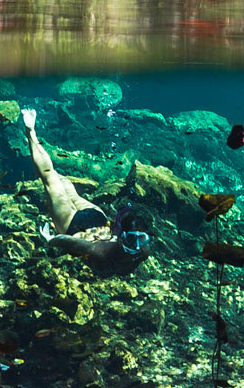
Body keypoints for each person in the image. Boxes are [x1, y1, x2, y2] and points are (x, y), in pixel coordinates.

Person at [21, 107, 151, 277]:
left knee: (62, 183)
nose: (137, 245)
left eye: (142, 238)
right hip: (73, 225)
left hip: (98, 217)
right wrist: (51, 240)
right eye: (132, 238)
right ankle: (30, 131)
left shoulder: (143, 250)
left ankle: (49, 164)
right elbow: (72, 243)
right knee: (48, 177)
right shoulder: (101, 252)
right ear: (120, 237)